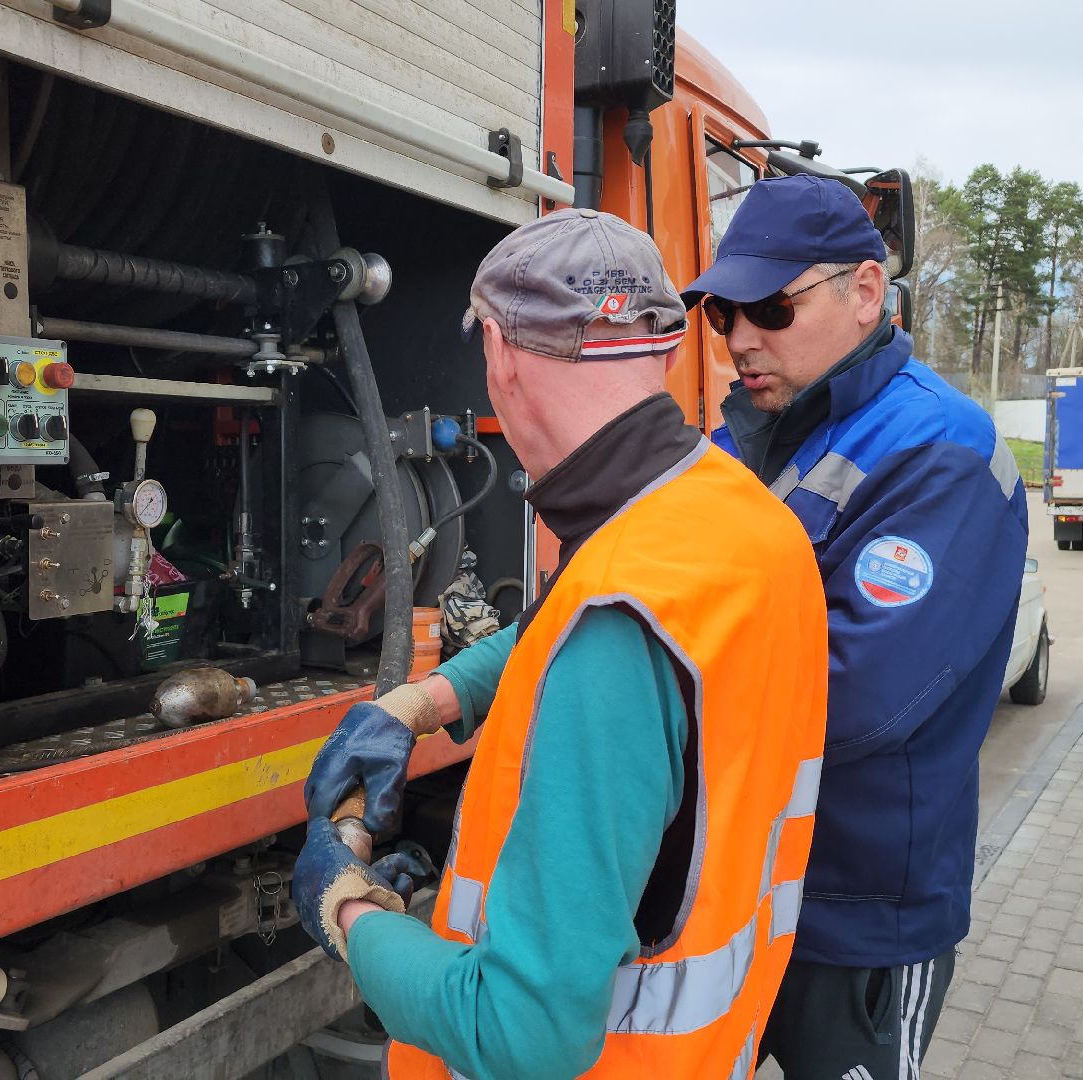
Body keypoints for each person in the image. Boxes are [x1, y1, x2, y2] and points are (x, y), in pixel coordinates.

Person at [293, 208, 829, 1079]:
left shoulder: (619, 617)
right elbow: (568, 632)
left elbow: (524, 1034)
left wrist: (348, 909)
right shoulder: (741, 520)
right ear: (663, 348)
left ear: (500, 351)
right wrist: (419, 703)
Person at [692, 175, 1029, 1080]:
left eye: (770, 305)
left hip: (859, 916)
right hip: (733, 891)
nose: (740, 341)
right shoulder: (739, 446)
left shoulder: (942, 451)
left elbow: (855, 696)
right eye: (723, 313)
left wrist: (630, 714)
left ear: (866, 292)